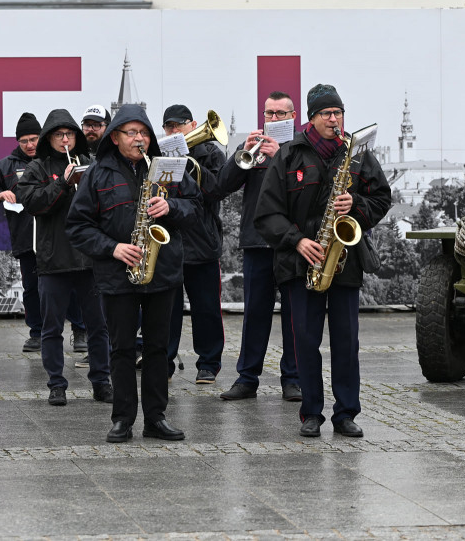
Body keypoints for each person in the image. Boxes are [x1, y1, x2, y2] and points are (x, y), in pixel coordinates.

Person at [254, 84, 391, 439]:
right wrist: (297, 241)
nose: (335, 120)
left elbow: (382, 198)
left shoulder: (357, 155)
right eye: (327, 114)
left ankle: (346, 413)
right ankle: (311, 412)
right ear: (311, 118)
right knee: (305, 340)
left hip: (345, 260)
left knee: (347, 342)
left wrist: (355, 205)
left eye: (338, 113)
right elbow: (266, 214)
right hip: (300, 263)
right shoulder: (288, 155)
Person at [67, 104, 200, 443]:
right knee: (122, 348)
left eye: (143, 133)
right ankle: (122, 419)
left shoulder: (166, 167)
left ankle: (156, 418)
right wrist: (113, 248)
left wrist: (172, 206)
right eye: (131, 133)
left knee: (157, 348)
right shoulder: (97, 173)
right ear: (115, 137)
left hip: (162, 271)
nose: (139, 139)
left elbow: (196, 207)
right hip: (117, 273)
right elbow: (78, 225)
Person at [18, 110, 112, 405]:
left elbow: (106, 203)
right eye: (58, 135)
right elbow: (32, 203)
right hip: (53, 260)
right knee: (52, 328)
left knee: (98, 326)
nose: (65, 139)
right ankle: (56, 384)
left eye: (69, 134)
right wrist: (62, 183)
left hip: (89, 260)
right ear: (49, 138)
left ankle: (101, 381)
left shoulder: (90, 164)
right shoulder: (37, 167)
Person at [0, 114, 88, 353]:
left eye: (34, 139)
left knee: (74, 286)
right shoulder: (6, 166)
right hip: (27, 239)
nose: (29, 145)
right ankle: (37, 333)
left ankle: (80, 331)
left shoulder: (60, 160)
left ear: (43, 137)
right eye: (24, 140)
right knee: (32, 288)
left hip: (61, 239)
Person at [217, 91, 302, 402]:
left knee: (294, 315)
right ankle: (247, 378)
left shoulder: (301, 148)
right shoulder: (252, 145)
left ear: (293, 116)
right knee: (254, 314)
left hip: (291, 242)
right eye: (269, 113)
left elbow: (305, 190)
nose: (274, 118)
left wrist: (281, 155)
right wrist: (243, 153)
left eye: (280, 113)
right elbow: (222, 186)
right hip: (257, 241)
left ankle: (293, 379)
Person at [161, 105, 226, 384]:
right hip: (170, 244)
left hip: (202, 244)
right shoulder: (159, 154)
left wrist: (186, 162)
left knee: (207, 308)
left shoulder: (211, 154)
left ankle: (209, 363)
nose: (174, 130)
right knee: (166, 310)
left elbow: (215, 191)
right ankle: (163, 361)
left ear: (193, 125)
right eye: (169, 126)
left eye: (179, 125)